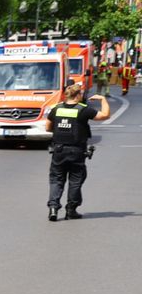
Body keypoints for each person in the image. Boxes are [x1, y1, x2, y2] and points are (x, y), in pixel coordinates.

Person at [45, 84, 110, 221]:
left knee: (56, 179)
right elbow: (105, 115)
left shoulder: (57, 109)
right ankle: (71, 210)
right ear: (78, 95)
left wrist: (60, 131)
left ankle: (53, 208)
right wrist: (103, 99)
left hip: (59, 150)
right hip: (76, 151)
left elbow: (48, 127)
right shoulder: (83, 110)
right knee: (75, 181)